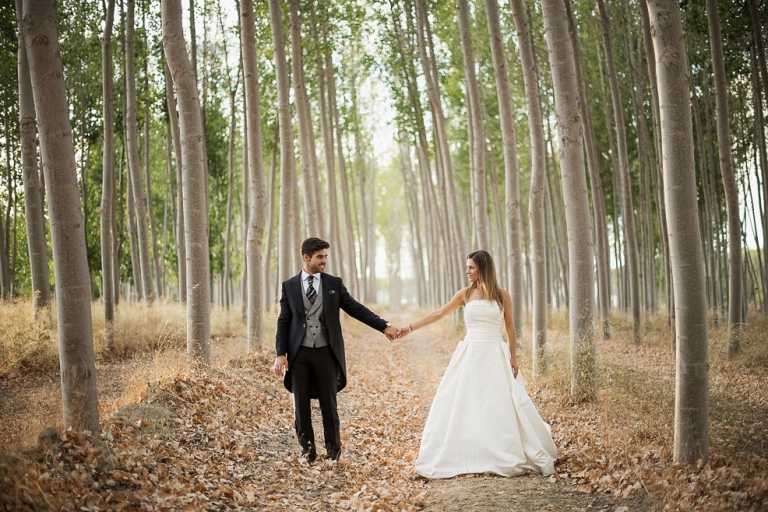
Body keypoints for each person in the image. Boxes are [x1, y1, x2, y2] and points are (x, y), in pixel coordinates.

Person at [397, 250, 557, 478]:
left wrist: (513, 356)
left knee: (498, 402)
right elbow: (439, 313)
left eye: (471, 267)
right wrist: (409, 328)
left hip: (495, 352)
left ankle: (501, 445)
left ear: (483, 267)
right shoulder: (465, 294)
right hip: (471, 353)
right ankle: (469, 448)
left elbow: (510, 327)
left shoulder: (502, 295)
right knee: (467, 400)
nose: (467, 271)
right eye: (467, 267)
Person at [274, 237, 398, 463]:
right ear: (306, 257)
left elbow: (356, 309)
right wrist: (280, 354)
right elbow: (284, 321)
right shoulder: (289, 286)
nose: (324, 261)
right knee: (301, 405)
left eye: (325, 256)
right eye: (319, 257)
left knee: (329, 405)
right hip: (299, 353)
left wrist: (383, 326)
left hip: (326, 352)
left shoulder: (333, 283)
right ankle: (308, 451)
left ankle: (333, 453)